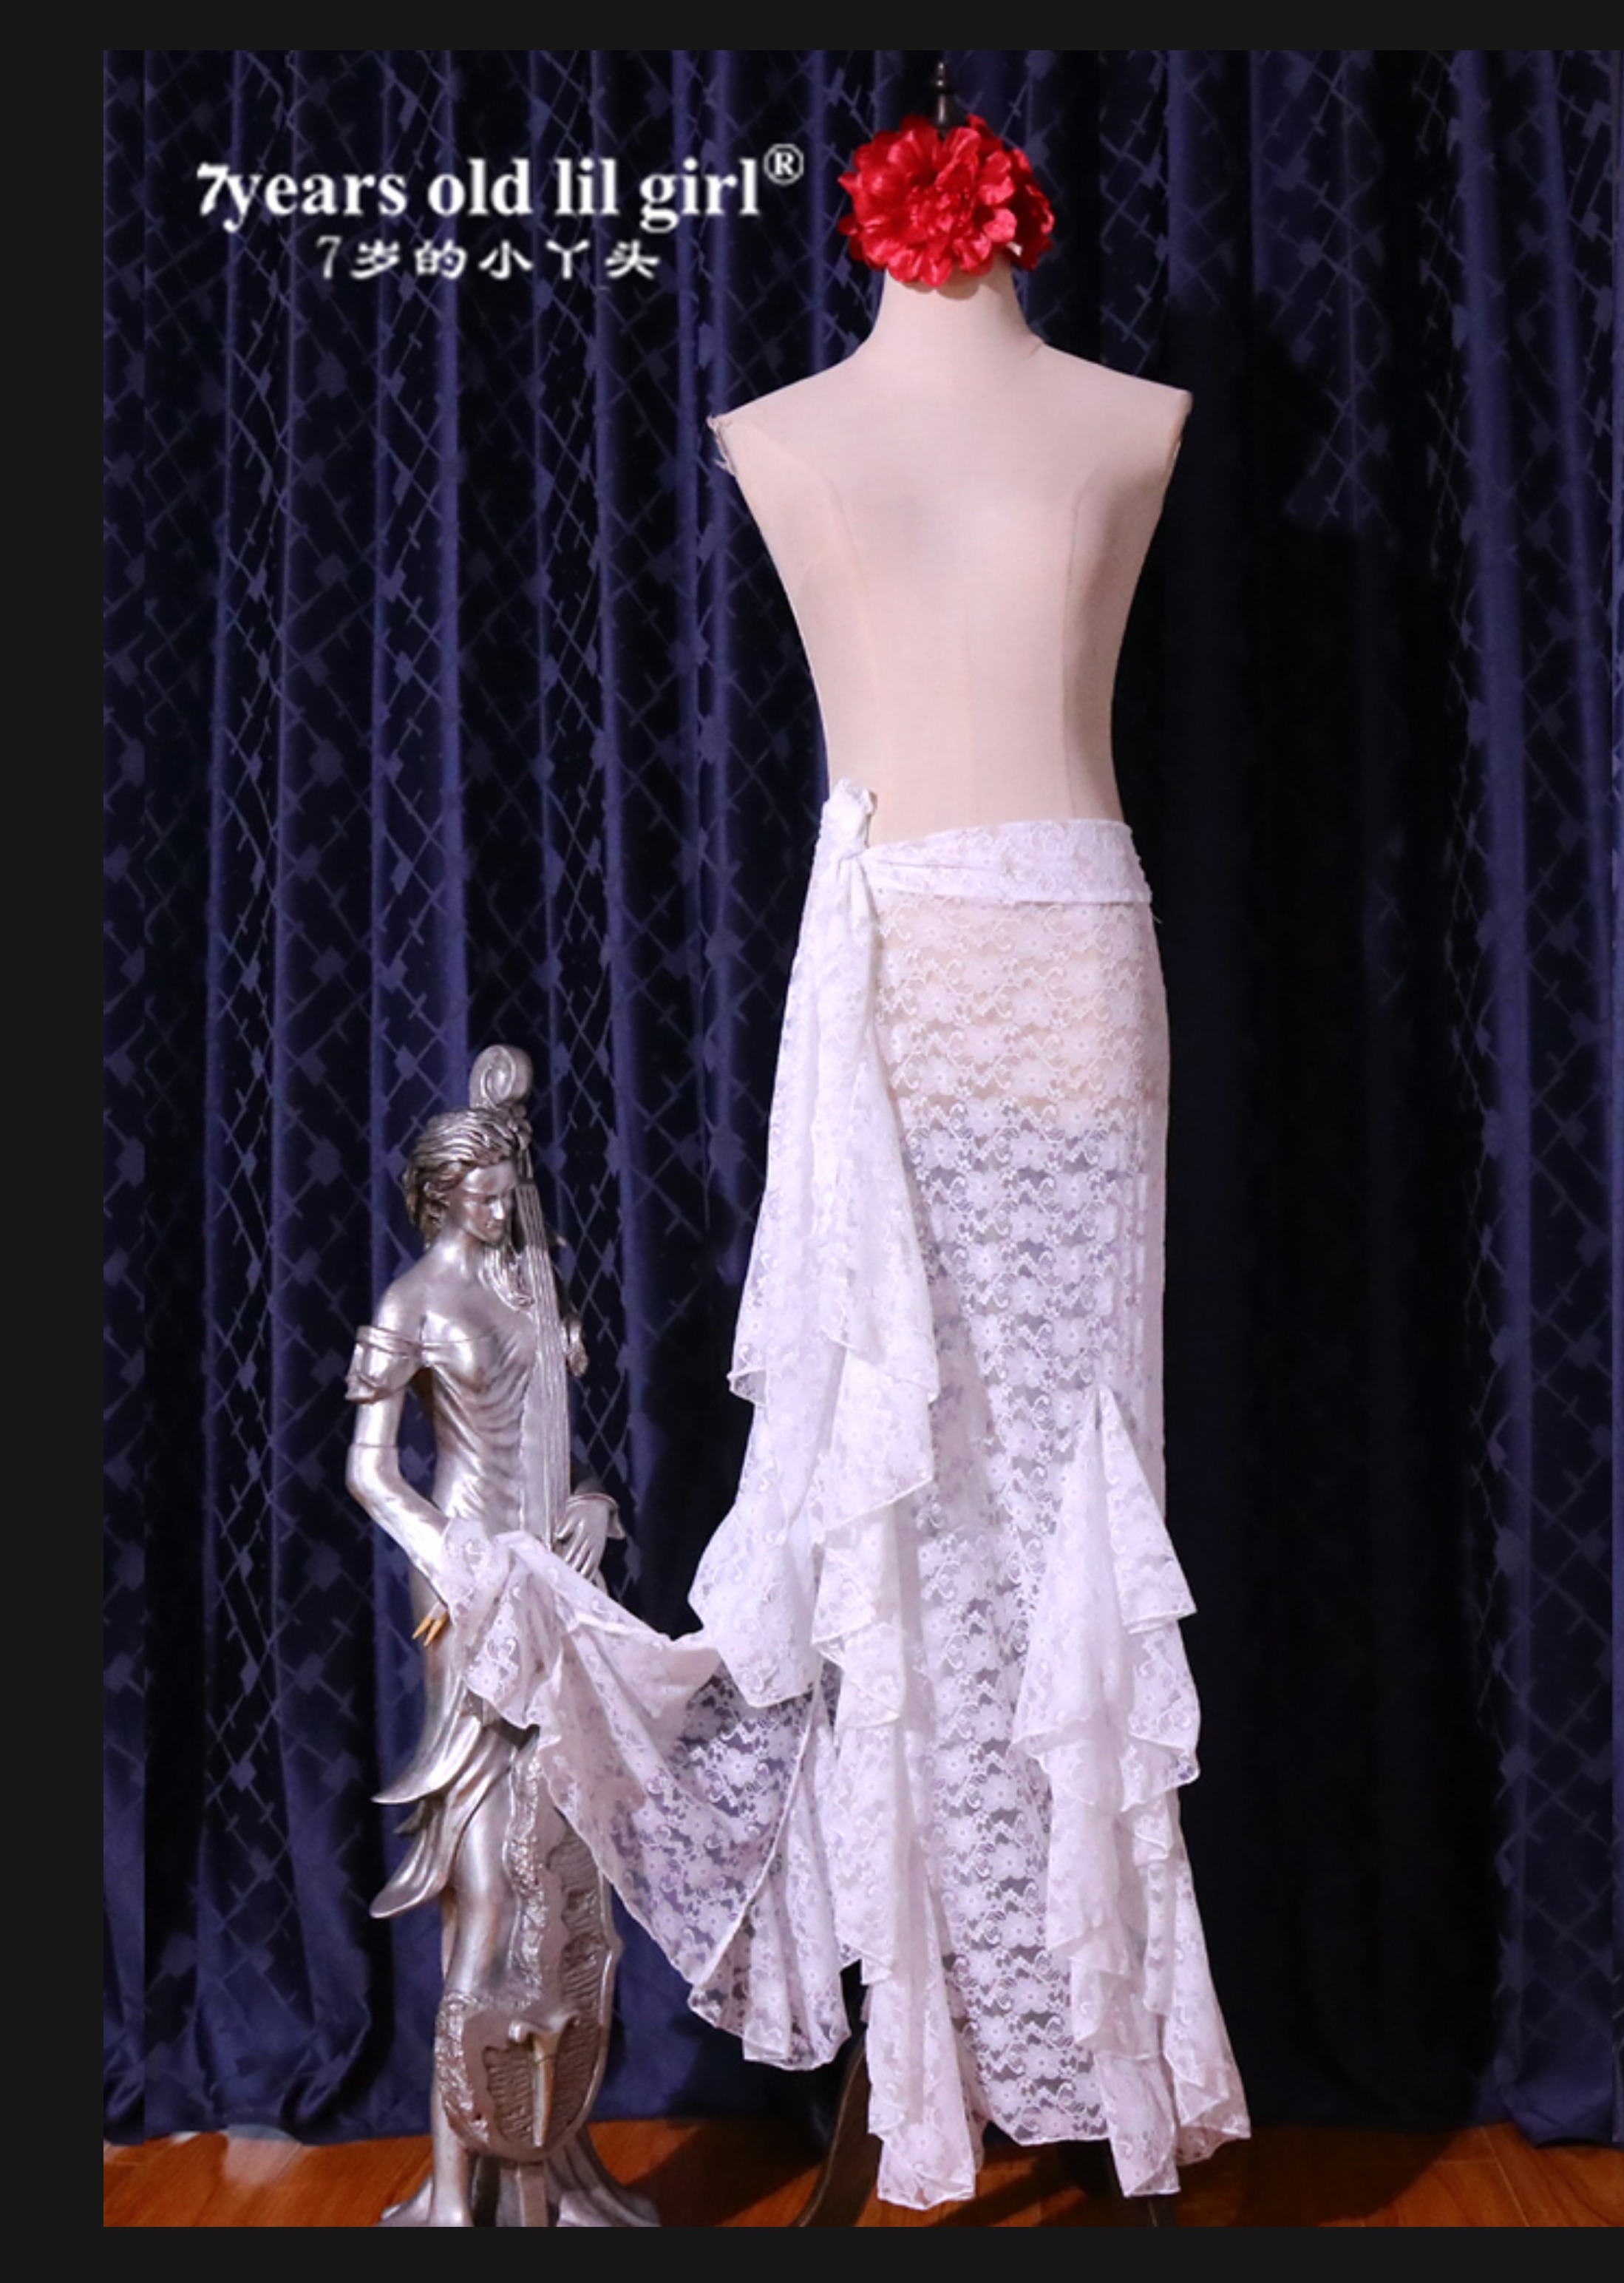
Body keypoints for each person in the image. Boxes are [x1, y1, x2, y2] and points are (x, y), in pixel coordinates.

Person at [683, 111, 1251, 2210]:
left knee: (1076, 1475)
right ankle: (923, 2043)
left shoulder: (1131, 423)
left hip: (1078, 986)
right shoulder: (779, 434)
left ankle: (1098, 2031)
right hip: (898, 985)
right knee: (905, 1497)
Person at [347, 1094, 653, 2228]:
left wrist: (594, 1506)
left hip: (553, 1584)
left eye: (503, 1189)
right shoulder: (413, 1302)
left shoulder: (531, 1285)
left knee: (558, 1866)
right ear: (439, 1194)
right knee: (482, 1884)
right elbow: (371, 1470)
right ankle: (454, 2189)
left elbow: (554, 1449)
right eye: (478, 1193)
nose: (497, 1208)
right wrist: (452, 1557)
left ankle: (552, 2159)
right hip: (468, 1594)